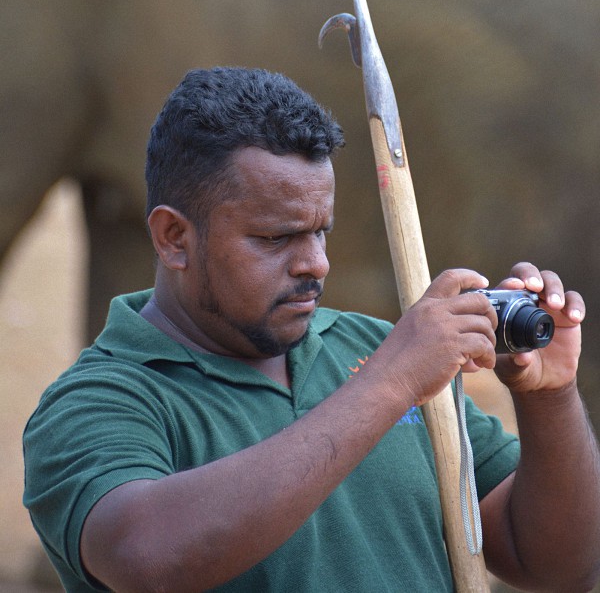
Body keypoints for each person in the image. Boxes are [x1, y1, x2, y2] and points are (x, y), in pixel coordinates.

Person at [23, 66, 600, 593]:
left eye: (320, 231)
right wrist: (390, 384)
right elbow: (147, 559)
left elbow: (559, 564)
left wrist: (550, 397)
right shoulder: (99, 400)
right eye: (276, 238)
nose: (316, 264)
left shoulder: (372, 347)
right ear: (175, 238)